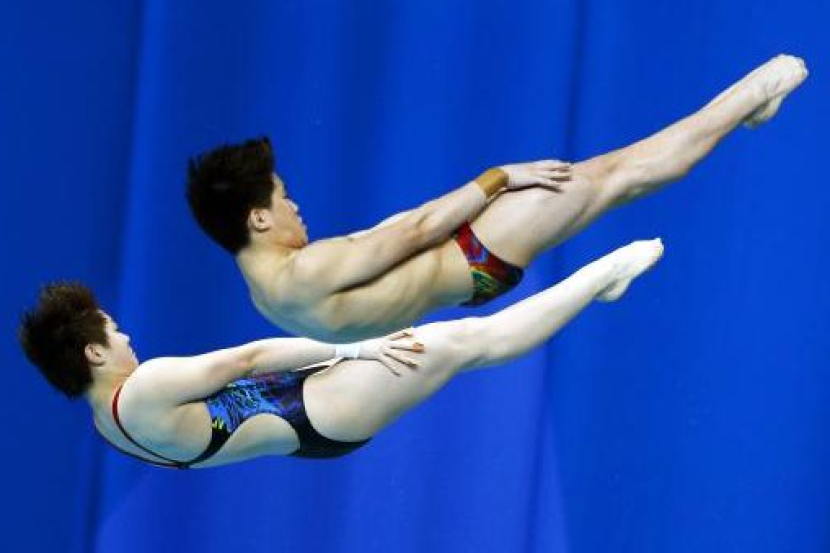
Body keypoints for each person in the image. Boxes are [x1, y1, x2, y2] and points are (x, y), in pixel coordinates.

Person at [186, 55, 806, 342]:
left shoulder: (267, 295)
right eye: (284, 198)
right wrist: (499, 177)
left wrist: (379, 342)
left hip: (464, 271)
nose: (296, 208)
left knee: (616, 179)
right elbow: (416, 231)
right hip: (475, 249)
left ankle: (744, 109)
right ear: (259, 217)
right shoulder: (304, 271)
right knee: (622, 173)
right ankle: (758, 91)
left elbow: (364, 310)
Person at [19, 239, 663, 468]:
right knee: (470, 341)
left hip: (307, 418)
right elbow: (250, 358)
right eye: (114, 331)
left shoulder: (106, 425)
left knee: (458, 343)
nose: (127, 336)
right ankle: (603, 275)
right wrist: (359, 346)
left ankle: (593, 283)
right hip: (316, 407)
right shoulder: (147, 386)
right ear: (94, 352)